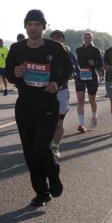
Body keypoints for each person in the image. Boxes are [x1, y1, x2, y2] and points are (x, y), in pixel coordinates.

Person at [5, 10, 73, 208]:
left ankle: (53, 174)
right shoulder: (17, 49)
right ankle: (42, 193)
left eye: (37, 24)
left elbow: (67, 69)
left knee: (41, 148)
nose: (33, 28)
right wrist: (14, 73)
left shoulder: (55, 47)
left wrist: (55, 82)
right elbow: (9, 73)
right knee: (30, 154)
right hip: (25, 106)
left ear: (43, 27)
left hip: (47, 105)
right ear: (25, 27)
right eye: (29, 24)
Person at [48, 30, 78, 161]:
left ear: (63, 40)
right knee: (46, 123)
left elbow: (73, 71)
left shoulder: (68, 54)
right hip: (46, 93)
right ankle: (45, 146)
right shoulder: (44, 53)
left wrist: (63, 76)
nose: (55, 40)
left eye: (58, 38)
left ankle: (55, 146)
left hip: (61, 92)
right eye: (52, 38)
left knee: (59, 123)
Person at [74, 31, 104, 133]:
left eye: (89, 37)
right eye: (85, 37)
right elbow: (77, 63)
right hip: (80, 76)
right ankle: (81, 124)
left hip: (92, 77)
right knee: (80, 101)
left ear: (92, 39)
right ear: (83, 38)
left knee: (92, 100)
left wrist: (94, 63)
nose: (87, 38)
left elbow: (100, 65)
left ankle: (94, 116)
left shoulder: (96, 50)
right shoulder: (78, 50)